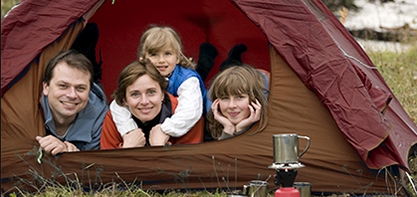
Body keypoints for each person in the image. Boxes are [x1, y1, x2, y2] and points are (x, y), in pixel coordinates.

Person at [109, 25, 207, 143]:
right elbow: (118, 103)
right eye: (154, 55)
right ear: (143, 59)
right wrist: (129, 130)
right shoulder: (140, 75)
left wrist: (165, 129)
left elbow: (190, 111)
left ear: (178, 57)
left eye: (167, 53)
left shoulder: (188, 80)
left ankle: (207, 61)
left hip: (198, 116)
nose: (161, 60)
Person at [101, 60, 203, 149]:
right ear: (125, 99)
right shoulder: (113, 118)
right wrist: (127, 149)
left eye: (151, 92)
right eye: (135, 94)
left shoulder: (187, 116)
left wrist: (161, 150)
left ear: (162, 94)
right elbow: (105, 167)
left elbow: (190, 166)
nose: (144, 101)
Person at [36, 50, 108, 155]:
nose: (72, 95)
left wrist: (73, 156)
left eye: (80, 88)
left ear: (89, 91)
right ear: (46, 87)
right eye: (63, 86)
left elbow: (95, 165)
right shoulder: (28, 108)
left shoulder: (101, 119)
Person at [206, 64, 269, 140]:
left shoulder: (269, 130)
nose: (231, 105)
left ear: (255, 100)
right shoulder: (210, 128)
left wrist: (241, 129)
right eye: (225, 98)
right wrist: (228, 130)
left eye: (240, 97)